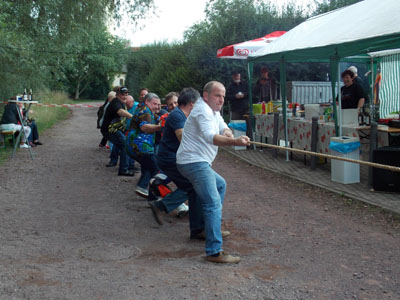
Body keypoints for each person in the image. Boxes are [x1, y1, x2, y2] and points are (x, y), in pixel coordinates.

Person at [176, 81, 250, 264]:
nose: (222, 99)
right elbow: (211, 137)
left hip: (195, 162)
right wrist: (235, 142)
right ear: (206, 95)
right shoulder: (202, 111)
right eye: (218, 95)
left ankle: (201, 229)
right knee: (213, 203)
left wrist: (227, 132)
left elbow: (222, 124)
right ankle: (214, 251)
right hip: (194, 162)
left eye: (223, 96)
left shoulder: (212, 111)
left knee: (220, 184)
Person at [149, 88, 202, 226]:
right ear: (192, 103)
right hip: (170, 158)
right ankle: (160, 206)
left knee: (192, 187)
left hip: (175, 157)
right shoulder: (177, 115)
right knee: (192, 185)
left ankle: (197, 226)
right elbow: (181, 137)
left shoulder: (185, 116)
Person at [126, 93, 162, 197]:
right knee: (155, 169)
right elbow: (144, 127)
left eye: (159, 105)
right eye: (155, 104)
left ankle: (143, 188)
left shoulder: (146, 110)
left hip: (137, 146)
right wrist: (161, 126)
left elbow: (155, 118)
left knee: (148, 167)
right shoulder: (145, 110)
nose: (157, 107)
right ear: (147, 102)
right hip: (140, 146)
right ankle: (156, 196)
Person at [101, 86, 134, 176]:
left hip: (116, 129)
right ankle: (123, 169)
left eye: (126, 94)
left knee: (120, 143)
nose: (125, 96)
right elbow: (120, 112)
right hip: (109, 130)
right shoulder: (116, 102)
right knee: (125, 145)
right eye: (123, 94)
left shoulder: (121, 102)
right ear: (118, 95)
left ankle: (116, 161)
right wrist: (132, 117)